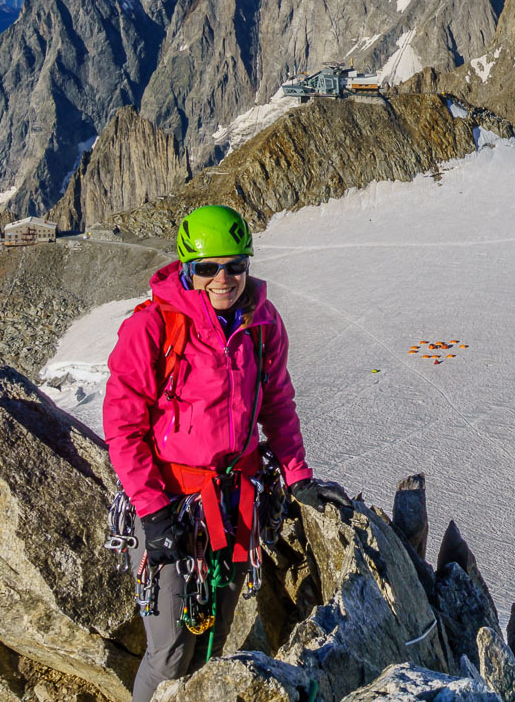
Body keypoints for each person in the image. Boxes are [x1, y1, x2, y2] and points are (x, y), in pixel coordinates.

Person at [104, 204, 350, 701]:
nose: (224, 277)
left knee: (211, 638)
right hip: (170, 505)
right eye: (209, 267)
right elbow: (123, 426)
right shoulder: (154, 327)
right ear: (188, 268)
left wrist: (297, 472)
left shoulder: (261, 323)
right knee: (171, 652)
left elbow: (276, 400)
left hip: (233, 503)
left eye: (235, 265)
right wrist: (153, 513)